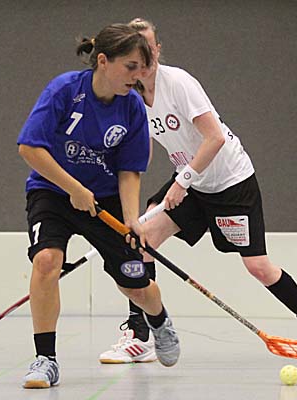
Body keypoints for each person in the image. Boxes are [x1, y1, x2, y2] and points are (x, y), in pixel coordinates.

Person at [98, 18, 297, 364]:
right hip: (192, 181)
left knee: (258, 266)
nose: (145, 58)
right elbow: (142, 150)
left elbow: (215, 138)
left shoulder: (179, 83)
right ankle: (141, 335)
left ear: (158, 49)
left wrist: (182, 181)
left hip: (230, 182)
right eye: (137, 51)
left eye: (149, 48)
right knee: (142, 240)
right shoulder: (132, 95)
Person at [17, 23, 181, 389]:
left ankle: (159, 320)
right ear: (103, 61)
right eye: (131, 67)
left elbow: (129, 170)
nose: (137, 76)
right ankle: (45, 359)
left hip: (104, 200)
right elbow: (30, 148)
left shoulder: (132, 106)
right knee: (46, 261)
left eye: (142, 68)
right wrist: (74, 188)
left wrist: (132, 219)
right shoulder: (64, 90)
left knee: (135, 286)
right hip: (52, 190)